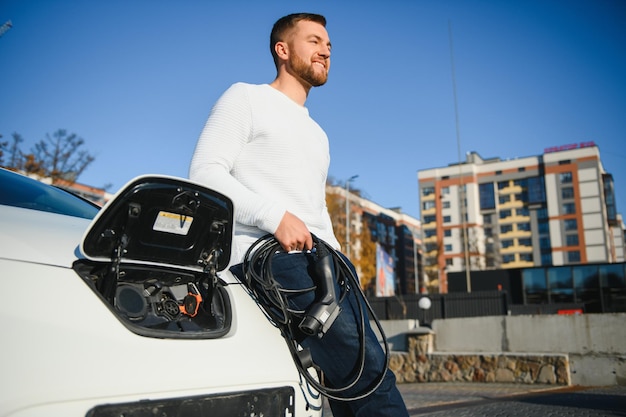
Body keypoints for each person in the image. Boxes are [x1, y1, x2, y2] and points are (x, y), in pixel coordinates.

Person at [189, 13, 409, 417]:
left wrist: (343, 262)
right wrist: (275, 217)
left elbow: (315, 208)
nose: (325, 49)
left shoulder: (318, 134)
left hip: (327, 264)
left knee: (347, 389)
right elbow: (205, 174)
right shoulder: (246, 98)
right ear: (283, 50)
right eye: (314, 41)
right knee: (372, 379)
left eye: (329, 45)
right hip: (272, 256)